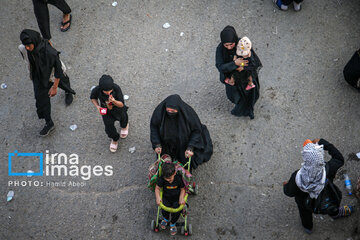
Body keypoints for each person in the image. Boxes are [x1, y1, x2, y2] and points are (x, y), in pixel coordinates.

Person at [284, 139, 354, 234]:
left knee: (304, 213)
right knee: (331, 204)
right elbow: (339, 158)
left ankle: (308, 227)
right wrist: (323, 143)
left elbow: (288, 192)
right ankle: (335, 213)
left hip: (305, 204)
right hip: (327, 198)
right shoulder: (329, 168)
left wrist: (285, 185)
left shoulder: (297, 178)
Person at [20, 29, 75, 137]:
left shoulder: (49, 52)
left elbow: (58, 70)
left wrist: (54, 87)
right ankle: (49, 123)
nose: (27, 48)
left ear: (35, 41)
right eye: (25, 45)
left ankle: (68, 92)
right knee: (41, 100)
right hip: (38, 77)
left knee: (63, 83)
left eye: (29, 45)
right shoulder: (22, 48)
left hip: (53, 74)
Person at [150, 94, 213, 170]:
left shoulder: (188, 114)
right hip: (165, 142)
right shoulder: (159, 112)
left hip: (183, 142)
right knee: (164, 166)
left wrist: (190, 147)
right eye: (168, 111)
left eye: (173, 111)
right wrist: (156, 144)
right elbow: (154, 127)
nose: (170, 113)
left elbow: (196, 131)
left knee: (184, 164)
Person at [90, 75, 129, 152]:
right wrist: (98, 107)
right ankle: (115, 139)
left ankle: (124, 126)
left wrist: (114, 101)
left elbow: (121, 104)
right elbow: (93, 98)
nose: (108, 93)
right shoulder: (97, 90)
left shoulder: (116, 88)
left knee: (123, 118)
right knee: (108, 127)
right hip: (105, 110)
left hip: (117, 108)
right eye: (106, 91)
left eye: (110, 91)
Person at [228, 36, 262, 119]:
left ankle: (249, 110)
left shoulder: (251, 57)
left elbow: (254, 65)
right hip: (239, 80)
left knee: (251, 96)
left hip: (247, 77)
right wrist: (235, 63)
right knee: (241, 98)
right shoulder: (237, 55)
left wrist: (243, 67)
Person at [215, 26, 249, 104]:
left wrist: (242, 65)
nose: (229, 47)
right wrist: (234, 64)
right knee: (234, 97)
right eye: (226, 45)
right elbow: (220, 66)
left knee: (248, 95)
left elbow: (251, 61)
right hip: (230, 78)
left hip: (245, 77)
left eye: (231, 44)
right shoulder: (220, 49)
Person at [155, 162, 185, 236]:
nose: (168, 180)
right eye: (166, 179)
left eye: (170, 178)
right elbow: (157, 188)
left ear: (174, 173)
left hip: (176, 198)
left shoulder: (178, 178)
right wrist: (158, 197)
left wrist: (181, 197)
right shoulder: (162, 179)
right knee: (164, 207)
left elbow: (182, 189)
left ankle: (173, 222)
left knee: (177, 209)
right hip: (166, 197)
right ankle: (166, 218)